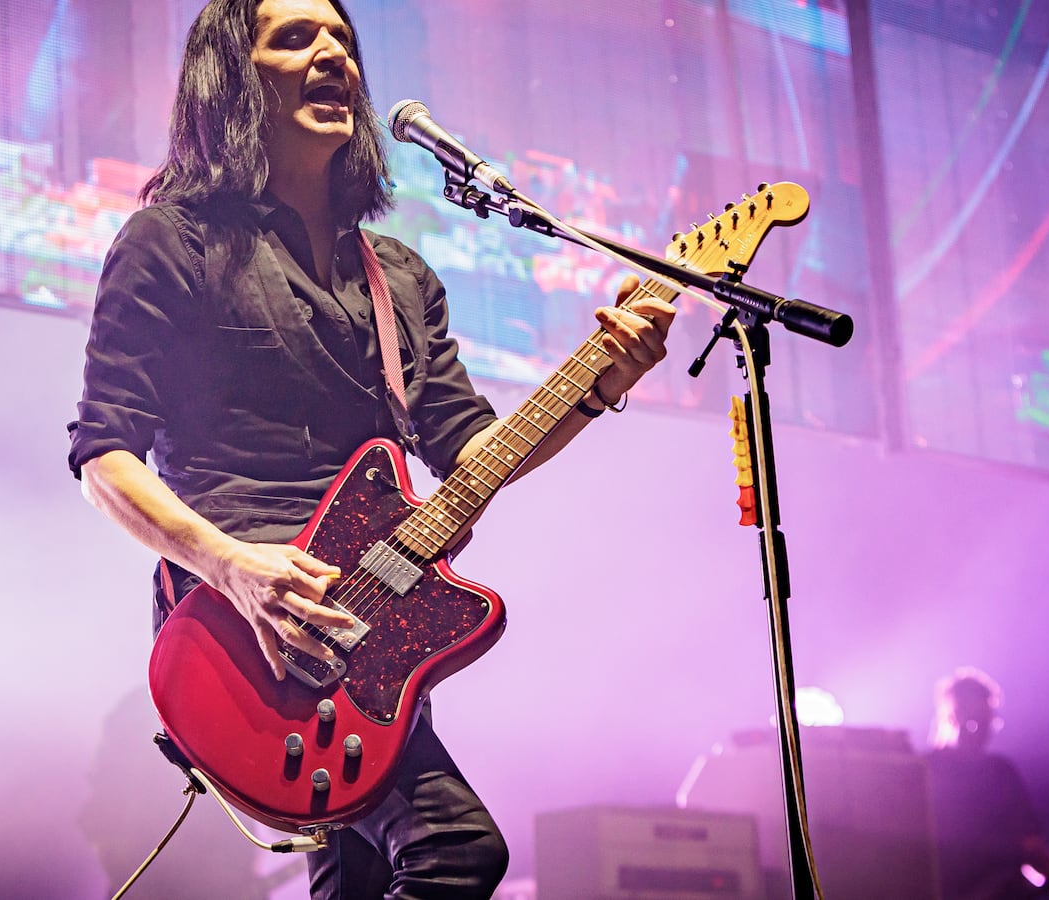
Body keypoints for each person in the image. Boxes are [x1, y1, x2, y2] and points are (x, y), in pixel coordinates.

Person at [66, 1, 677, 896]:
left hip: (373, 622)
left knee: (353, 884)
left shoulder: (396, 277)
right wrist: (236, 569)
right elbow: (102, 458)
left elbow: (475, 453)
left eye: (342, 40)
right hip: (250, 632)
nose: (331, 55)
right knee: (455, 849)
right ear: (232, 76)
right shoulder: (171, 244)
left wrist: (600, 382)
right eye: (295, 38)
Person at [925, 668, 1049, 900]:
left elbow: (1031, 847)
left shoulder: (1001, 772)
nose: (981, 732)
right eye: (974, 722)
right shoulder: (925, 771)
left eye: (986, 722)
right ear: (952, 718)